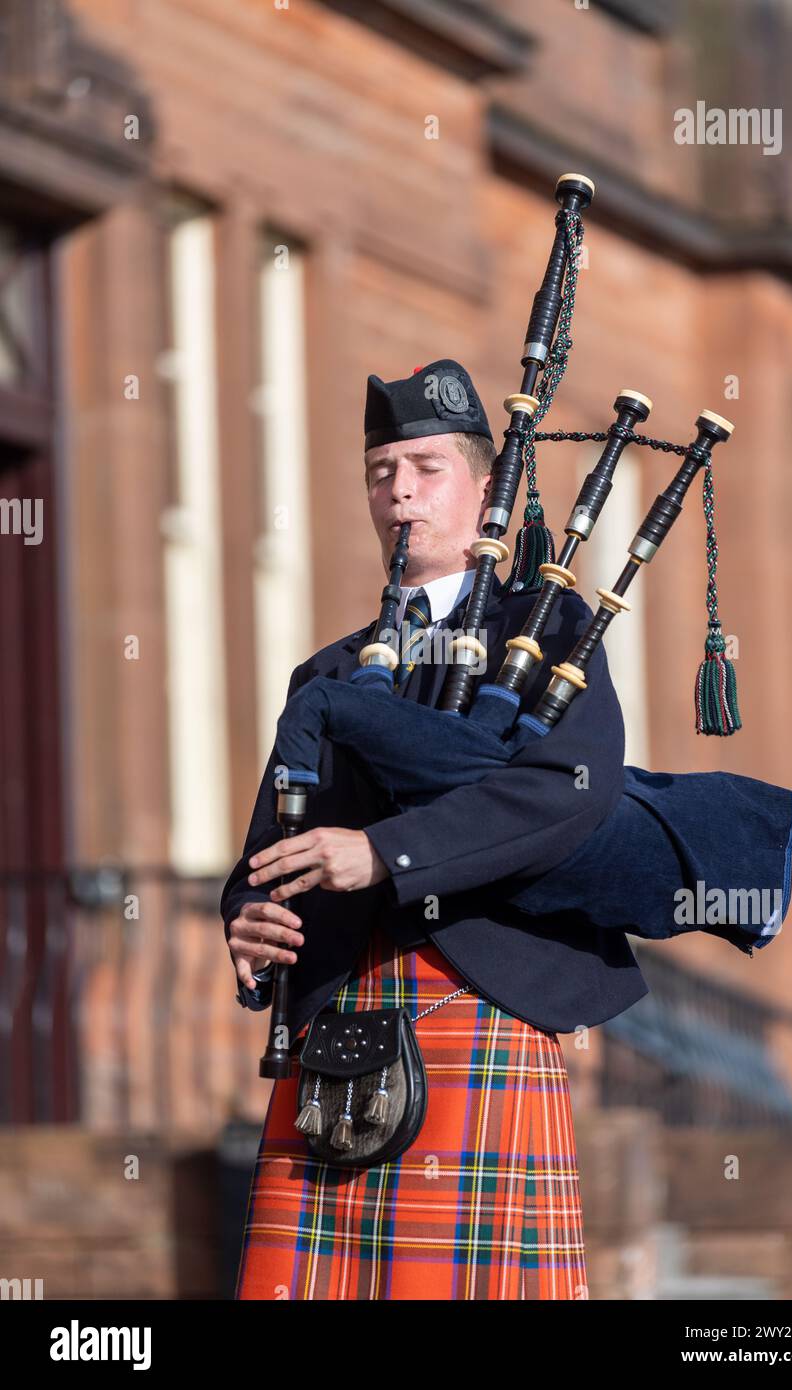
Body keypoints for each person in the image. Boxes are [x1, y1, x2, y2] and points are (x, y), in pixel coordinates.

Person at [221, 358, 644, 1301]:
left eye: (425, 467)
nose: (399, 492)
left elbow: (565, 795)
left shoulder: (551, 635)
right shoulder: (326, 674)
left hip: (474, 1006)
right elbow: (267, 846)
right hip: (334, 1028)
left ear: (485, 489)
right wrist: (246, 917)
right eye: (381, 472)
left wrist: (381, 851)